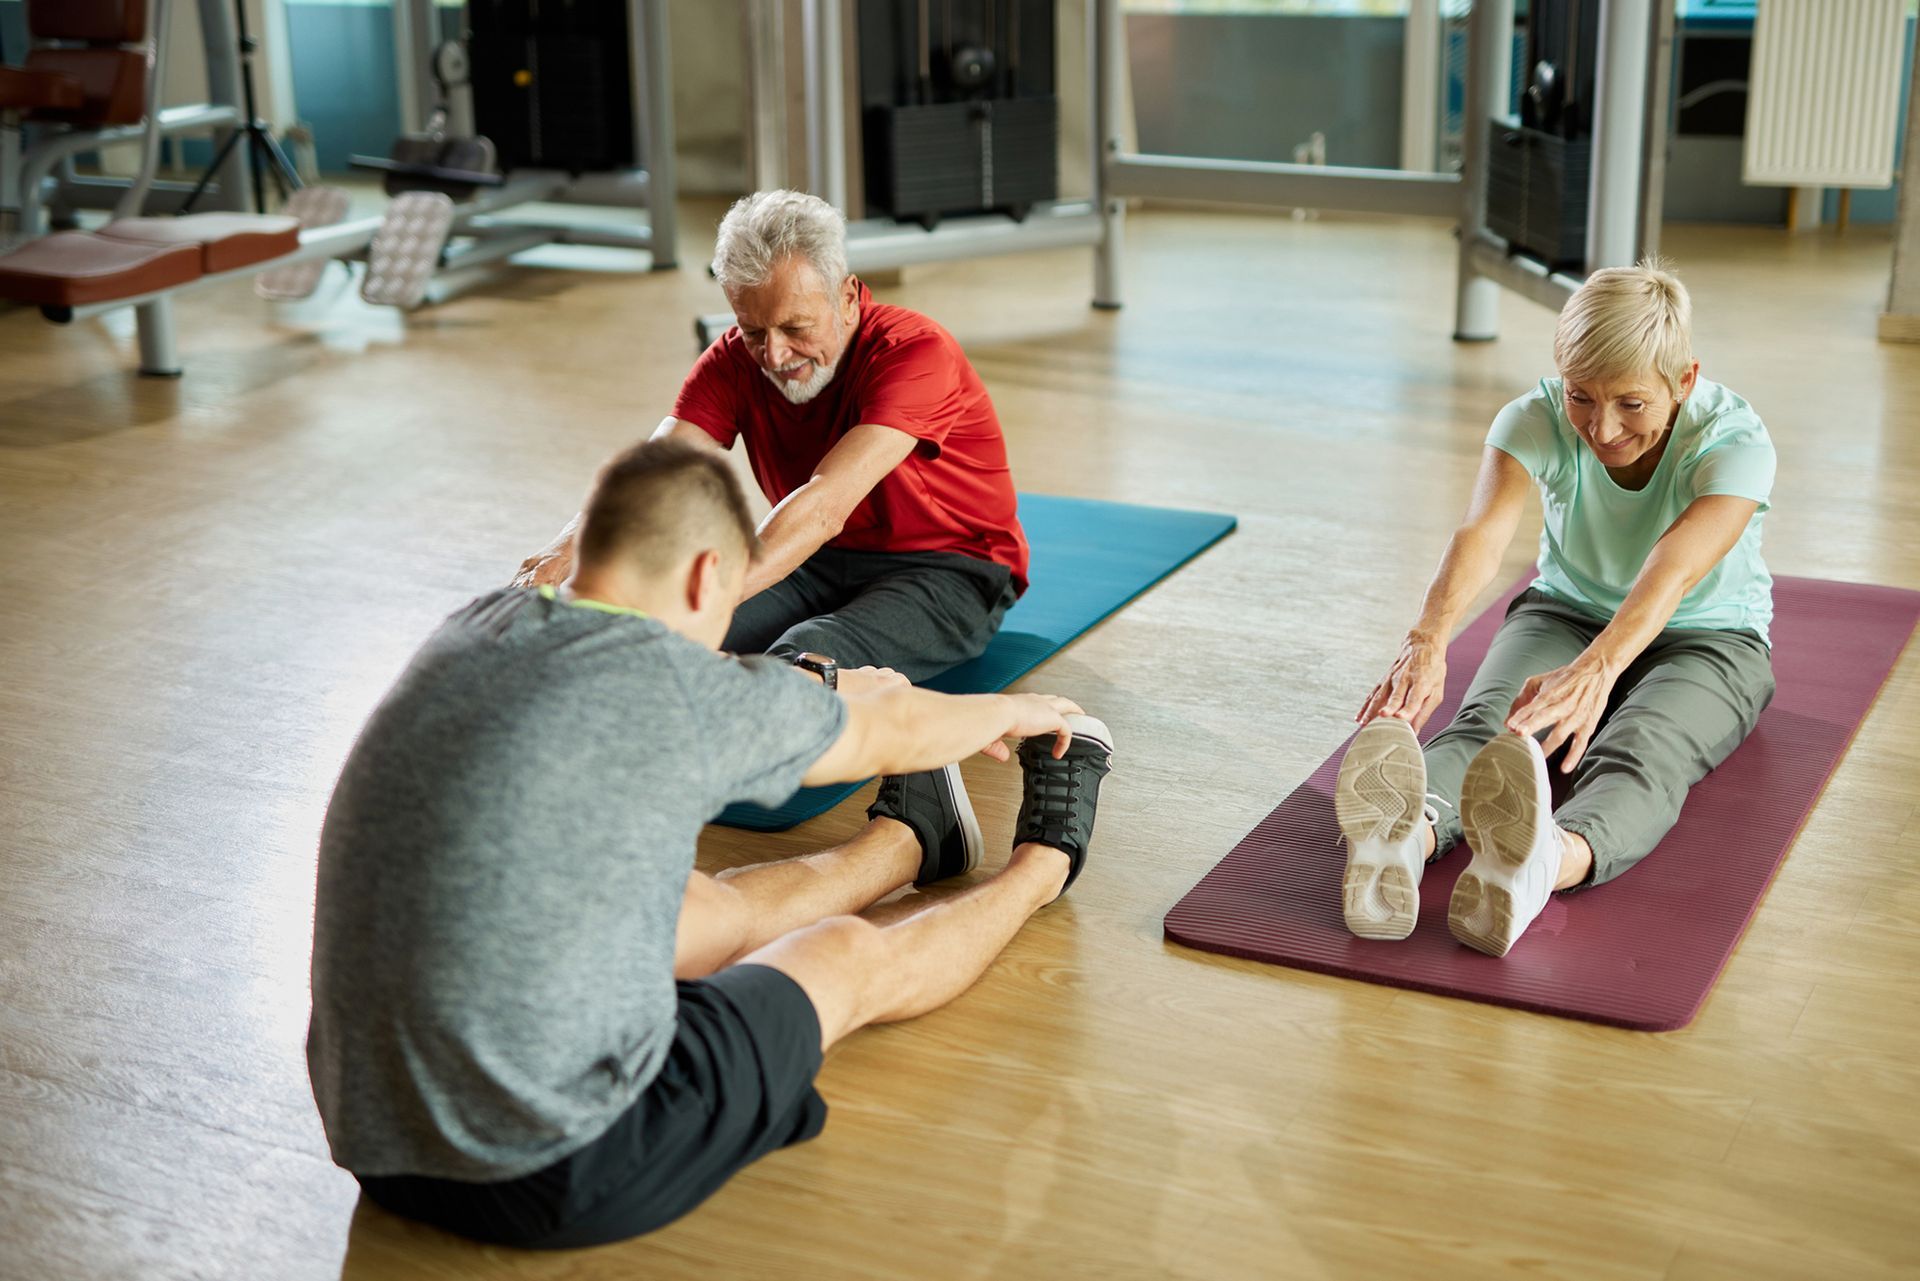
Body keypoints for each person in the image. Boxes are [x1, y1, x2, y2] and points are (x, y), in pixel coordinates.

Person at [309, 438, 1112, 1248]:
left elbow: (740, 700)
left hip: (374, 1136)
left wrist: (832, 686)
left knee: (698, 909)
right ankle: (1043, 868)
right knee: (840, 955)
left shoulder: (481, 623)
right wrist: (1016, 710)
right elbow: (889, 730)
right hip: (553, 1163)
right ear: (705, 576)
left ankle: (906, 845)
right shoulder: (667, 684)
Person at [1335, 262, 1776, 957]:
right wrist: (1427, 638)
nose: (1602, 427)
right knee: (1494, 726)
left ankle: (1546, 860)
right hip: (1565, 612)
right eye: (1581, 397)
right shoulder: (1534, 417)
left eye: (1632, 403)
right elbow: (1482, 533)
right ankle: (1402, 841)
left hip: (1709, 637)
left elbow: (1675, 568)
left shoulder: (1735, 440)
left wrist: (1599, 669)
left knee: (1641, 749)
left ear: (1685, 381)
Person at [514, 189, 1029, 685]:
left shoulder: (914, 352)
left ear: (848, 298)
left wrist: (711, 601)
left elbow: (825, 507)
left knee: (801, 660)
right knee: (656, 633)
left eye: (796, 328)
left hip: (949, 569)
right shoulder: (734, 360)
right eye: (754, 331)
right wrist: (560, 556)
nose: (775, 355)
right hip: (817, 560)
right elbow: (654, 474)